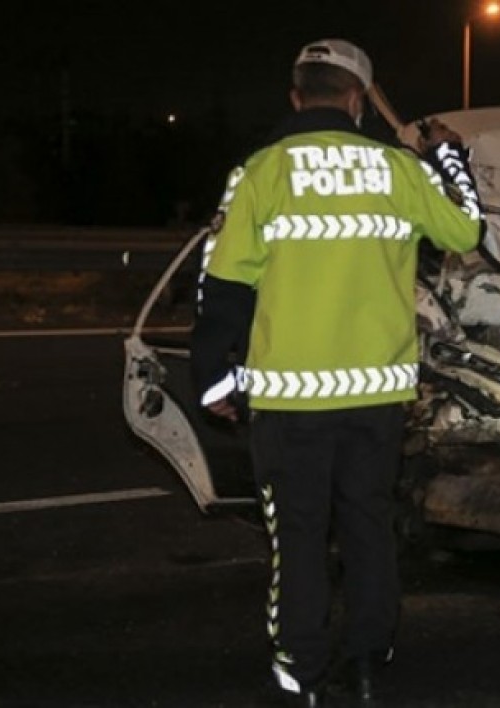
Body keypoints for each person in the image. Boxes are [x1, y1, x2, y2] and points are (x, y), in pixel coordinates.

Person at [189, 38, 483, 706]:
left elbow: (222, 285)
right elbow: (467, 232)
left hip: (288, 402)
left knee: (296, 536)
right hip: (376, 397)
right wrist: (448, 158)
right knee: (366, 526)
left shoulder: (261, 172)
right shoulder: (397, 170)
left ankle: (302, 668)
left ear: (297, 96)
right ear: (357, 101)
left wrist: (215, 379)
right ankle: (369, 657)